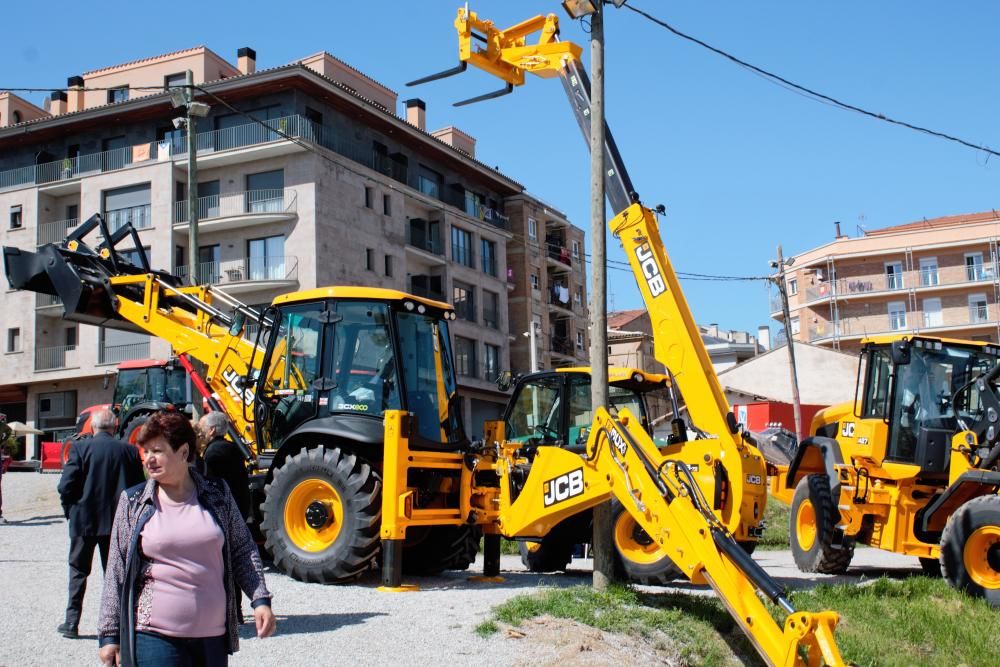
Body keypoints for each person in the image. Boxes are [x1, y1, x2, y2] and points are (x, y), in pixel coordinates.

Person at [98, 411, 275, 667]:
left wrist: (260, 600)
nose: (149, 459)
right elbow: (116, 569)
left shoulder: (217, 494)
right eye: (145, 451)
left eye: (157, 451)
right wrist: (109, 635)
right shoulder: (134, 502)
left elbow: (242, 548)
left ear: (183, 452)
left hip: (212, 638)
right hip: (155, 636)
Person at [57, 408, 144, 638]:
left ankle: (71, 623)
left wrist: (70, 510)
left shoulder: (79, 448)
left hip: (83, 522)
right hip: (117, 522)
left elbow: (65, 486)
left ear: (93, 427)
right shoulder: (129, 451)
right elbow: (139, 489)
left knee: (78, 571)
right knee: (116, 575)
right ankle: (119, 624)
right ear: (115, 427)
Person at [197, 411, 251, 522]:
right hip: (240, 509)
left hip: (227, 514)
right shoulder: (231, 447)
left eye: (201, 429)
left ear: (212, 430)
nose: (199, 433)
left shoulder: (214, 452)